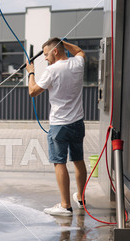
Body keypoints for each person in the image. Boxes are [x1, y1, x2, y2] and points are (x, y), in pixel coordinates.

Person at [25, 37, 87, 216]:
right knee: (78, 159)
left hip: (59, 125)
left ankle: (65, 205)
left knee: (59, 162)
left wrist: (31, 72)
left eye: (46, 54)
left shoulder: (52, 71)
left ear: (55, 51)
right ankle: (81, 198)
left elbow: (33, 91)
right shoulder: (77, 63)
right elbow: (80, 51)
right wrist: (63, 42)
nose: (45, 58)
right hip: (77, 123)